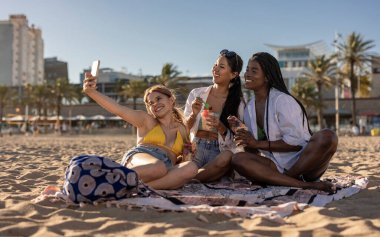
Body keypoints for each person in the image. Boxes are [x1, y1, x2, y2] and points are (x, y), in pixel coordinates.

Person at [229, 52, 338, 192]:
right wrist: (243, 136)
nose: (247, 74)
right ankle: (300, 184)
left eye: (254, 70)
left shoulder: (282, 100)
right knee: (238, 159)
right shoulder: (249, 107)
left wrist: (257, 143)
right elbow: (254, 151)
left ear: (267, 77)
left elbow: (296, 144)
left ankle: (290, 179)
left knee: (328, 136)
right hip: (275, 165)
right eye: (247, 70)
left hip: (305, 163)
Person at [83, 75, 198, 190]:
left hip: (165, 168)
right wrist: (92, 92)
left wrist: (188, 154)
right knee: (158, 167)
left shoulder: (183, 130)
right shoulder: (146, 120)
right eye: (150, 103)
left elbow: (183, 160)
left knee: (191, 168)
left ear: (171, 100)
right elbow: (118, 109)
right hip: (142, 159)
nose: (154, 104)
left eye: (158, 99)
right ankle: (106, 178)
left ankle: (138, 188)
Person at [184, 49, 246, 182]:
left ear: (233, 74)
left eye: (221, 67)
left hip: (218, 151)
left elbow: (239, 140)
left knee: (228, 157)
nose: (215, 69)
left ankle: (187, 178)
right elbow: (183, 129)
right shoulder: (197, 94)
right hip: (196, 147)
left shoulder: (238, 103)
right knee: (182, 157)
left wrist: (221, 127)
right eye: (215, 65)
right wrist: (194, 115)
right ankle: (199, 176)